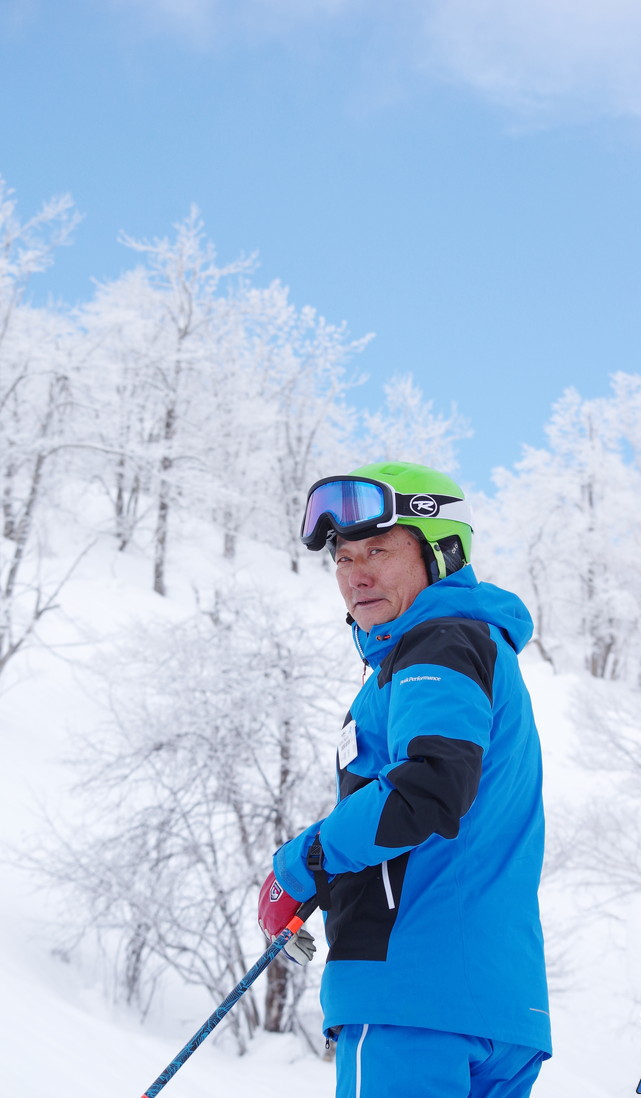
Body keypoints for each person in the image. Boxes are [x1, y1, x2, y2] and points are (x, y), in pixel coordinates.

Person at [258, 461, 552, 1097]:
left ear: (442, 553)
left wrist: (302, 863)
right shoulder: (476, 647)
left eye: (379, 550)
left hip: (409, 999)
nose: (356, 574)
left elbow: (429, 787)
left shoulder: (438, 644)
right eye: (342, 558)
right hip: (498, 1007)